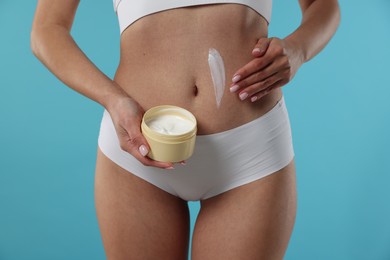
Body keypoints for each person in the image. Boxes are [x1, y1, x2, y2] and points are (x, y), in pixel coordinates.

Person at [31, 0, 340, 259]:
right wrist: (113, 100)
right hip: (139, 149)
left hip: (251, 151)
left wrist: (298, 50)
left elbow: (323, 6)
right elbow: (47, 30)